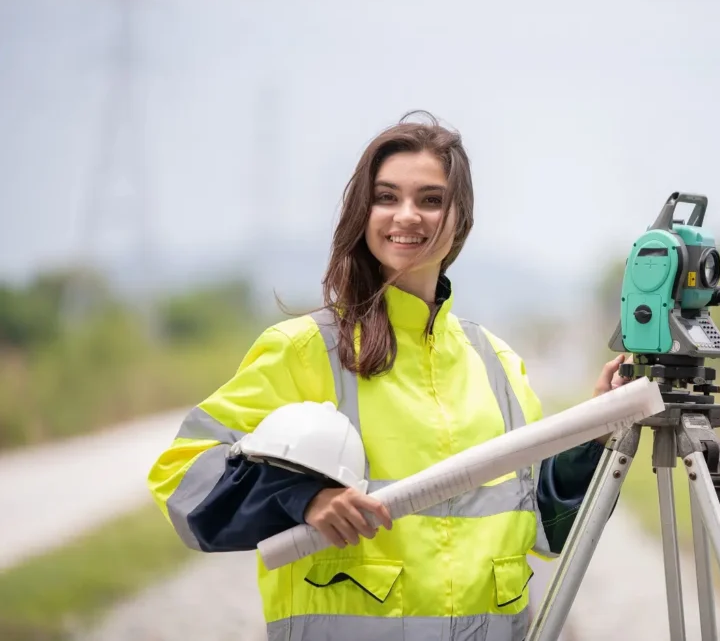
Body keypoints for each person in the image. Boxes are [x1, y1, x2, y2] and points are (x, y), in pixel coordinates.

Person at [147, 111, 626, 641]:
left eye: (430, 199)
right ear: (363, 212)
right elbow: (181, 475)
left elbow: (540, 519)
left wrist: (597, 430)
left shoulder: (496, 360)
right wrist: (303, 497)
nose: (407, 215)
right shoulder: (306, 350)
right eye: (386, 196)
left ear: (459, 219)